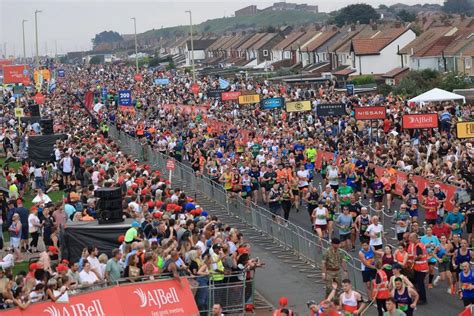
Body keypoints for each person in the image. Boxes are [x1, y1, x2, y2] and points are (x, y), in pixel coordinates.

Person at [407, 233, 428, 304]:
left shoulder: (418, 246)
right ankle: (419, 296)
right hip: (420, 267)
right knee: (416, 281)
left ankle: (423, 299)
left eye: (411, 237)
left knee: (420, 283)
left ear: (415, 238)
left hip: (421, 268)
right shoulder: (419, 244)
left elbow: (420, 256)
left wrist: (414, 259)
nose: (409, 239)